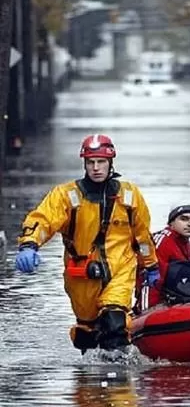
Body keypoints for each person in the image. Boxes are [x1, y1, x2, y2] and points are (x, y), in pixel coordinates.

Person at [14, 133, 159, 354]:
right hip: (82, 274)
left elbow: (142, 236)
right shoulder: (66, 195)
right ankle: (93, 370)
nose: (96, 168)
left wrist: (151, 265)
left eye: (101, 162)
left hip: (120, 269)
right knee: (87, 334)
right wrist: (29, 245)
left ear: (111, 162)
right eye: (91, 162)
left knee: (115, 321)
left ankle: (118, 370)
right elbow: (43, 220)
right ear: (84, 164)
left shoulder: (129, 195)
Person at [135, 202, 190, 311]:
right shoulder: (162, 240)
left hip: (173, 302)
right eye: (184, 219)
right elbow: (148, 278)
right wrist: (147, 310)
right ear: (171, 222)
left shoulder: (184, 242)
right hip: (155, 304)